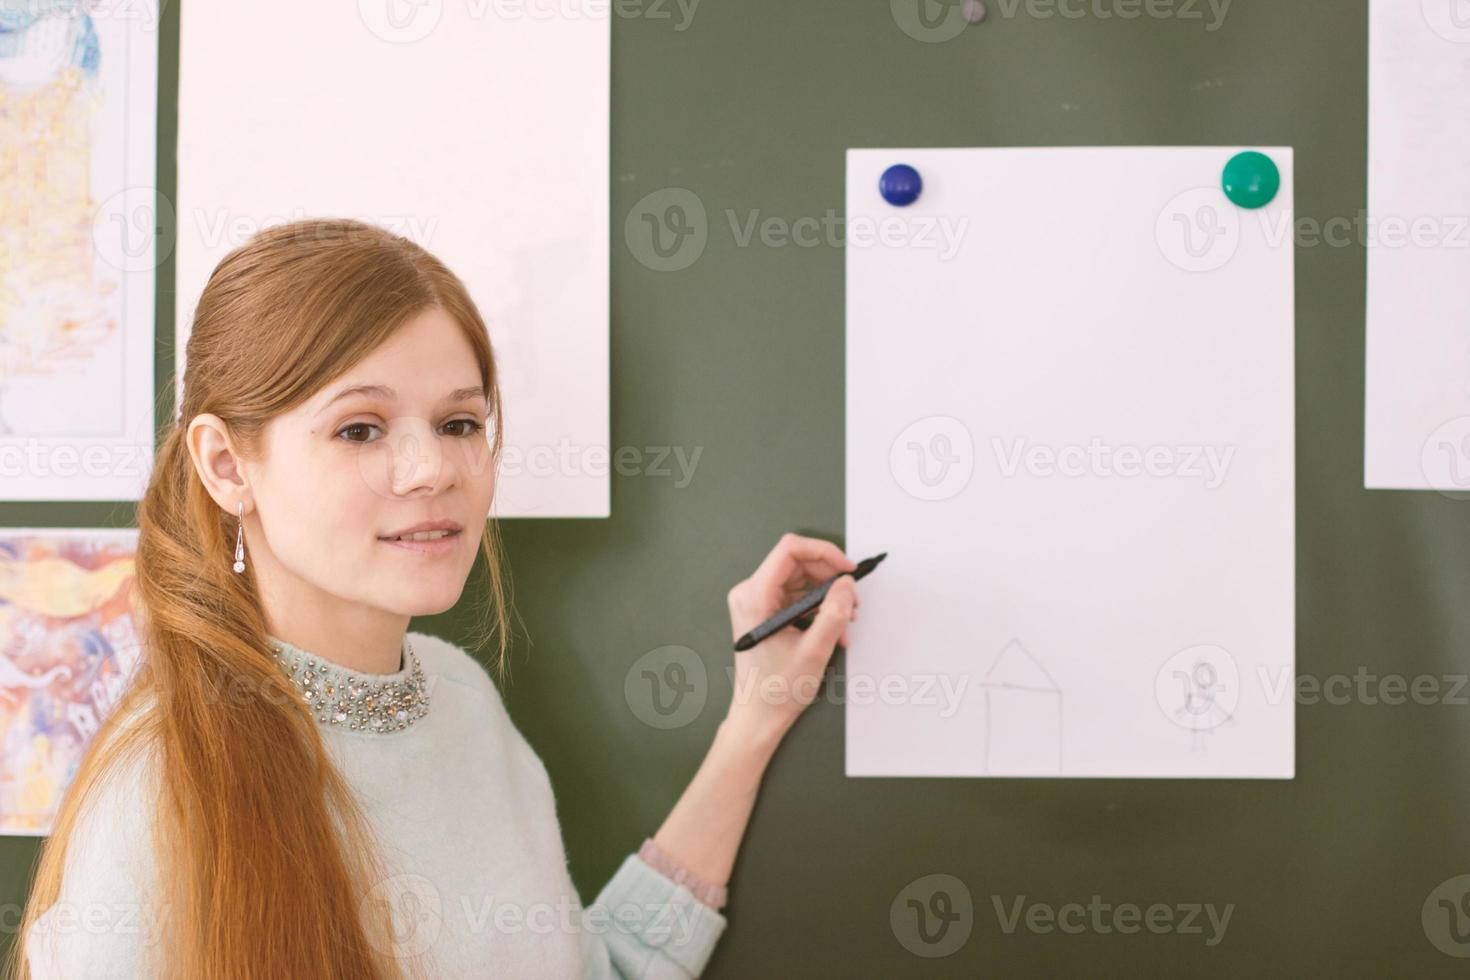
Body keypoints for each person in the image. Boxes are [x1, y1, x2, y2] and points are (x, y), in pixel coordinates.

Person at [9, 218, 861, 979]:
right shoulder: (157, 789)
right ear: (229, 466)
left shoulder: (461, 698)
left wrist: (758, 713)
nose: (435, 471)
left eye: (458, 423)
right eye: (360, 428)